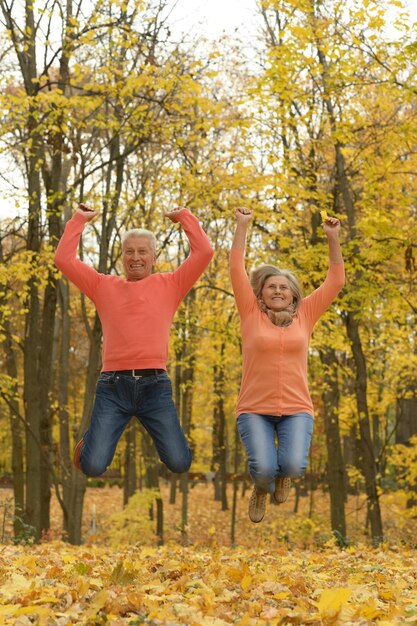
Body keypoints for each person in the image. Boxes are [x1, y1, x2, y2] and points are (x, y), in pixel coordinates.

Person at [54, 203, 213, 477]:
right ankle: (90, 441)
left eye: (142, 251)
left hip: (155, 387)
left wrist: (184, 217)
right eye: (129, 251)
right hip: (113, 387)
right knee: (92, 466)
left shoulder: (171, 284)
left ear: (154, 256)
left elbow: (204, 252)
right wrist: (79, 220)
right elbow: (64, 260)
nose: (135, 257)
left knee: (179, 462)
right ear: (122, 256)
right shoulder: (103, 285)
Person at [230, 207, 344, 523]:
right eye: (272, 287)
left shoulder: (305, 315)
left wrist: (332, 239)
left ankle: (282, 477)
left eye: (284, 287)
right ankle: (262, 487)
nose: (278, 291)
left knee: (293, 466)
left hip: (296, 408)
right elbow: (236, 268)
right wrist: (242, 225)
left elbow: (335, 281)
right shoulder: (250, 313)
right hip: (254, 408)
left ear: (293, 294)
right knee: (263, 467)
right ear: (261, 292)